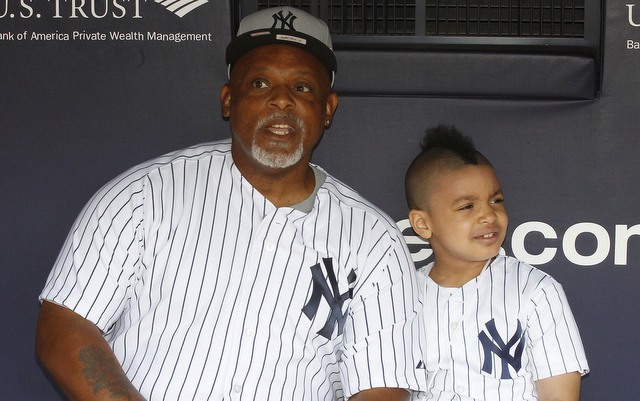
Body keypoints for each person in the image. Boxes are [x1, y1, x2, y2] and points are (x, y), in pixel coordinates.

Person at [35, 6, 427, 401]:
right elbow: (65, 327)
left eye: (303, 88)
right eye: (259, 84)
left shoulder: (375, 241)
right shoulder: (145, 194)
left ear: (327, 109)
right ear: (228, 100)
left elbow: (382, 388)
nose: (281, 102)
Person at [404, 125, 589, 401]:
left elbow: (560, 395)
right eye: (467, 206)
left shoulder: (536, 291)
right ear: (422, 223)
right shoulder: (399, 296)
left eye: (496, 200)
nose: (488, 216)